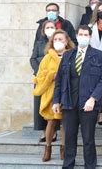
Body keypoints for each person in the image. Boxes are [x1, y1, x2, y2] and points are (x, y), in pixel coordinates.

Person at [52, 25, 102, 169]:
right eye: (81, 34)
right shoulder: (68, 55)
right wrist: (56, 101)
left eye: (86, 35)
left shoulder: (100, 55)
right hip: (69, 103)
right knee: (69, 137)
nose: (83, 37)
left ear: (90, 37)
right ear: (76, 36)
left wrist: (93, 98)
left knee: (88, 138)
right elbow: (59, 80)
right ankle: (68, 164)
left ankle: (90, 165)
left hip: (88, 104)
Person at [33, 29, 74, 162]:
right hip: (51, 93)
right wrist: (51, 76)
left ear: (66, 41)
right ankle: (48, 147)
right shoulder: (47, 57)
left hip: (67, 92)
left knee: (65, 123)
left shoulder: (72, 55)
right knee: (51, 121)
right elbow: (40, 75)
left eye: (60, 39)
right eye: (55, 40)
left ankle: (63, 148)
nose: (58, 42)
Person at [30, 20, 56, 140]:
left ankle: (53, 131)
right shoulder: (39, 43)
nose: (50, 29)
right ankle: (44, 131)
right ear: (43, 30)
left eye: (52, 27)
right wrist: (39, 71)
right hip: (41, 79)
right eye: (48, 27)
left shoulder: (58, 42)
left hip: (55, 79)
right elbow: (33, 59)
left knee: (53, 105)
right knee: (40, 105)